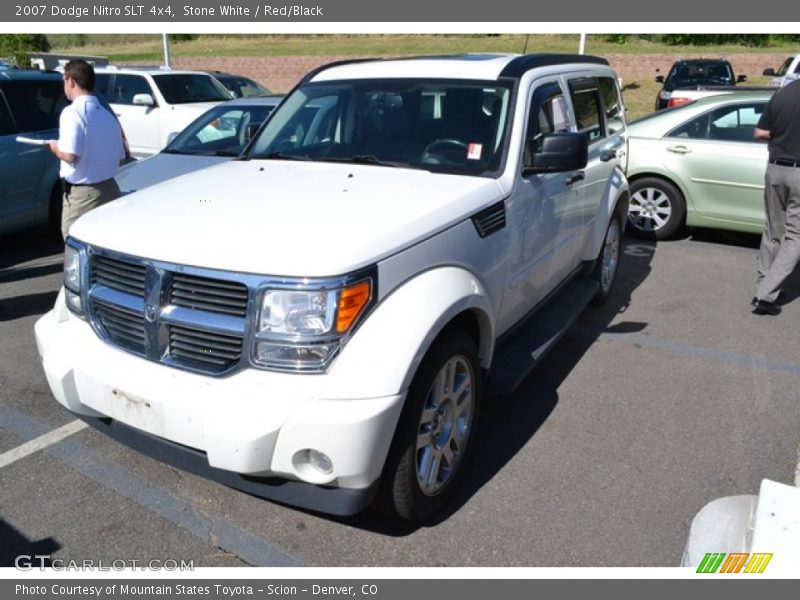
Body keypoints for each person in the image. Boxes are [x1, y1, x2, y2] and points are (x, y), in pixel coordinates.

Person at [49, 59, 126, 240]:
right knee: (106, 243)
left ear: (71, 81)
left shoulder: (72, 112)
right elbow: (121, 156)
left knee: (75, 243)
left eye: (64, 81)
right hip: (111, 188)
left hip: (83, 194)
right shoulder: (107, 114)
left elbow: (69, 155)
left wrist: (54, 148)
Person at [751, 79, 800, 316]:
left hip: (775, 169)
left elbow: (759, 132)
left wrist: (782, 135)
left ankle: (765, 285)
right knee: (796, 236)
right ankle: (766, 293)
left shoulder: (782, 94)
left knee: (772, 231)